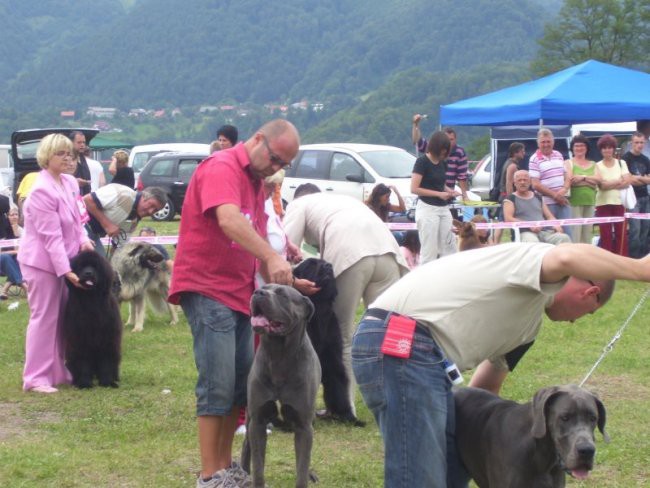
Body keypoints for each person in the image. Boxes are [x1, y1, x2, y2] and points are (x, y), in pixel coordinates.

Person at [352, 240, 650, 487]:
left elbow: (485, 389)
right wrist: (639, 269)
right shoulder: (536, 266)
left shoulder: (528, 327)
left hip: (426, 361)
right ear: (590, 293)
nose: (574, 321)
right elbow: (567, 255)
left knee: (451, 472)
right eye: (587, 313)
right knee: (419, 478)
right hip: (401, 338)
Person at [168, 119, 298, 488]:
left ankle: (225, 468)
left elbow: (253, 236)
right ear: (258, 139)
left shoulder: (256, 184)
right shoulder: (222, 167)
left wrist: (280, 275)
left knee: (240, 384)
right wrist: (272, 259)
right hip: (207, 287)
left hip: (240, 293)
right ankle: (209, 475)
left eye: (281, 165)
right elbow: (229, 221)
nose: (274, 168)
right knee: (217, 383)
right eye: (273, 158)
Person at [283, 185, 409, 414]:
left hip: (351, 255)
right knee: (389, 335)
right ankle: (398, 401)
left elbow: (286, 247)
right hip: (387, 252)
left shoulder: (298, 204)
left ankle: (345, 407)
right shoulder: (338, 199)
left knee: (340, 336)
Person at [17, 133, 94, 394]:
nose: (67, 158)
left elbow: (77, 219)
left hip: (66, 259)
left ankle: (58, 370)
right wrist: (67, 271)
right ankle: (35, 378)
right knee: (44, 318)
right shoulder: (40, 191)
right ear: (46, 157)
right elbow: (51, 239)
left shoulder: (71, 183)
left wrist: (84, 240)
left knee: (63, 317)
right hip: (41, 264)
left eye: (69, 154)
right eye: (60, 154)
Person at [411, 131, 460, 263]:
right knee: (429, 251)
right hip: (427, 209)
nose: (444, 153)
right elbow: (414, 189)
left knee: (449, 248)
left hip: (443, 209)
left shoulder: (442, 163)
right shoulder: (422, 162)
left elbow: (440, 184)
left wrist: (450, 191)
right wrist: (439, 194)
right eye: (443, 150)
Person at [83, 184, 166, 256]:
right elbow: (87, 200)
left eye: (155, 210)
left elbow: (120, 246)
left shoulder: (134, 219)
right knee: (95, 263)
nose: (151, 211)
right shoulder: (122, 193)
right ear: (144, 197)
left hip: (93, 235)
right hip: (77, 226)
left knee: (101, 265)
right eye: (151, 205)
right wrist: (107, 225)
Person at [503, 170, 571, 245]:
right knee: (533, 242)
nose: (522, 182)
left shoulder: (537, 197)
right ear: (514, 183)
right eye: (519, 180)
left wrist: (556, 224)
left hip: (545, 231)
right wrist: (529, 225)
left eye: (525, 180)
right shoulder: (510, 199)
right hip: (525, 232)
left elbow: (549, 216)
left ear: (529, 182)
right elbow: (508, 218)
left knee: (564, 238)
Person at [412, 116, 469, 202]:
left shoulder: (459, 152)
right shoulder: (432, 149)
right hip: (431, 195)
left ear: (456, 139)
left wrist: (464, 195)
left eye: (452, 139)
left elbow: (462, 176)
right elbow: (417, 141)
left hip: (448, 193)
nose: (449, 142)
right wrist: (415, 125)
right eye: (447, 140)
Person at [529, 128, 572, 238]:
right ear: (538, 143)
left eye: (548, 141)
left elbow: (566, 175)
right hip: (546, 204)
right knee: (551, 234)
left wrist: (564, 189)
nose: (546, 144)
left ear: (553, 142)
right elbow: (535, 184)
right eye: (543, 142)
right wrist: (555, 196)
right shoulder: (534, 159)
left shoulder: (558, 154)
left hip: (563, 200)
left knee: (568, 232)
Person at [595, 134, 631, 256]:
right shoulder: (597, 165)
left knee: (622, 235)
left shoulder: (622, 163)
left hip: (619, 202)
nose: (607, 150)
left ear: (613, 149)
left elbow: (627, 182)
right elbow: (602, 186)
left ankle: (622, 260)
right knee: (606, 235)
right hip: (602, 203)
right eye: (604, 147)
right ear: (601, 150)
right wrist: (618, 180)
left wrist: (609, 183)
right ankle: (607, 261)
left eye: (610, 147)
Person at [566, 134, 601, 244]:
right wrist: (590, 183)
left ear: (586, 148)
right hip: (574, 202)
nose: (579, 148)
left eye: (582, 145)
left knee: (587, 235)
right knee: (575, 234)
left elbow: (599, 180)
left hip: (590, 202)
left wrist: (582, 177)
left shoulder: (593, 164)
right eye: (576, 146)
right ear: (572, 148)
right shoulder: (568, 163)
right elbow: (570, 181)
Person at [622, 132, 650, 258]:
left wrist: (637, 178)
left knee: (646, 227)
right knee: (635, 228)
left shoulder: (646, 159)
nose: (639, 145)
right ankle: (634, 256)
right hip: (632, 198)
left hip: (646, 196)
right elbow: (629, 179)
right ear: (631, 143)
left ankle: (644, 255)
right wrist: (642, 178)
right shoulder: (625, 159)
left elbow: (649, 180)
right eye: (637, 142)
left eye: (641, 142)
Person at [493, 142, 526, 243]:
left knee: (502, 221)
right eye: (522, 151)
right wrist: (511, 199)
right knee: (502, 222)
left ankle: (496, 242)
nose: (524, 153)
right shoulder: (512, 166)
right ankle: (495, 243)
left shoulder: (510, 163)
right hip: (506, 197)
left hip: (505, 196)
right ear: (515, 153)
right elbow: (509, 183)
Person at [0, 206, 27, 299]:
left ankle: (4, 290)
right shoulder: (2, 230)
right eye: (12, 215)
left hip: (15, 260)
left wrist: (15, 233)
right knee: (6, 257)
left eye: (16, 214)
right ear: (7, 217)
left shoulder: (22, 231)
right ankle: (25, 286)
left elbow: (20, 250)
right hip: (2, 261)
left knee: (17, 259)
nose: (14, 217)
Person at [69, 131, 92, 196]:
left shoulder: (82, 157)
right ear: (71, 143)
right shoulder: (67, 159)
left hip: (85, 197)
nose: (82, 145)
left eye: (83, 142)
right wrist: (75, 182)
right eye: (79, 142)